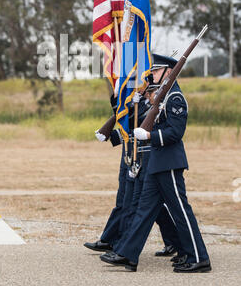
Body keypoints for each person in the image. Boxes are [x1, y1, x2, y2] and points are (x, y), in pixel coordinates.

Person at [100, 54, 211, 273]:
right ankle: (128, 255)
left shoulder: (175, 98)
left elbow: (176, 133)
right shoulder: (161, 96)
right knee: (144, 210)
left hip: (169, 162)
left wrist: (150, 136)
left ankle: (199, 257)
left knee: (181, 211)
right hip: (157, 163)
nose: (151, 74)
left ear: (169, 72)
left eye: (156, 71)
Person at [84, 82, 183, 259]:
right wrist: (117, 98)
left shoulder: (154, 104)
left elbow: (140, 128)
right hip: (132, 155)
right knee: (132, 201)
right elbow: (126, 122)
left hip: (146, 156)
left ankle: (121, 244)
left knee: (142, 203)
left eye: (145, 88)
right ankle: (117, 241)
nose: (141, 91)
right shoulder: (139, 103)